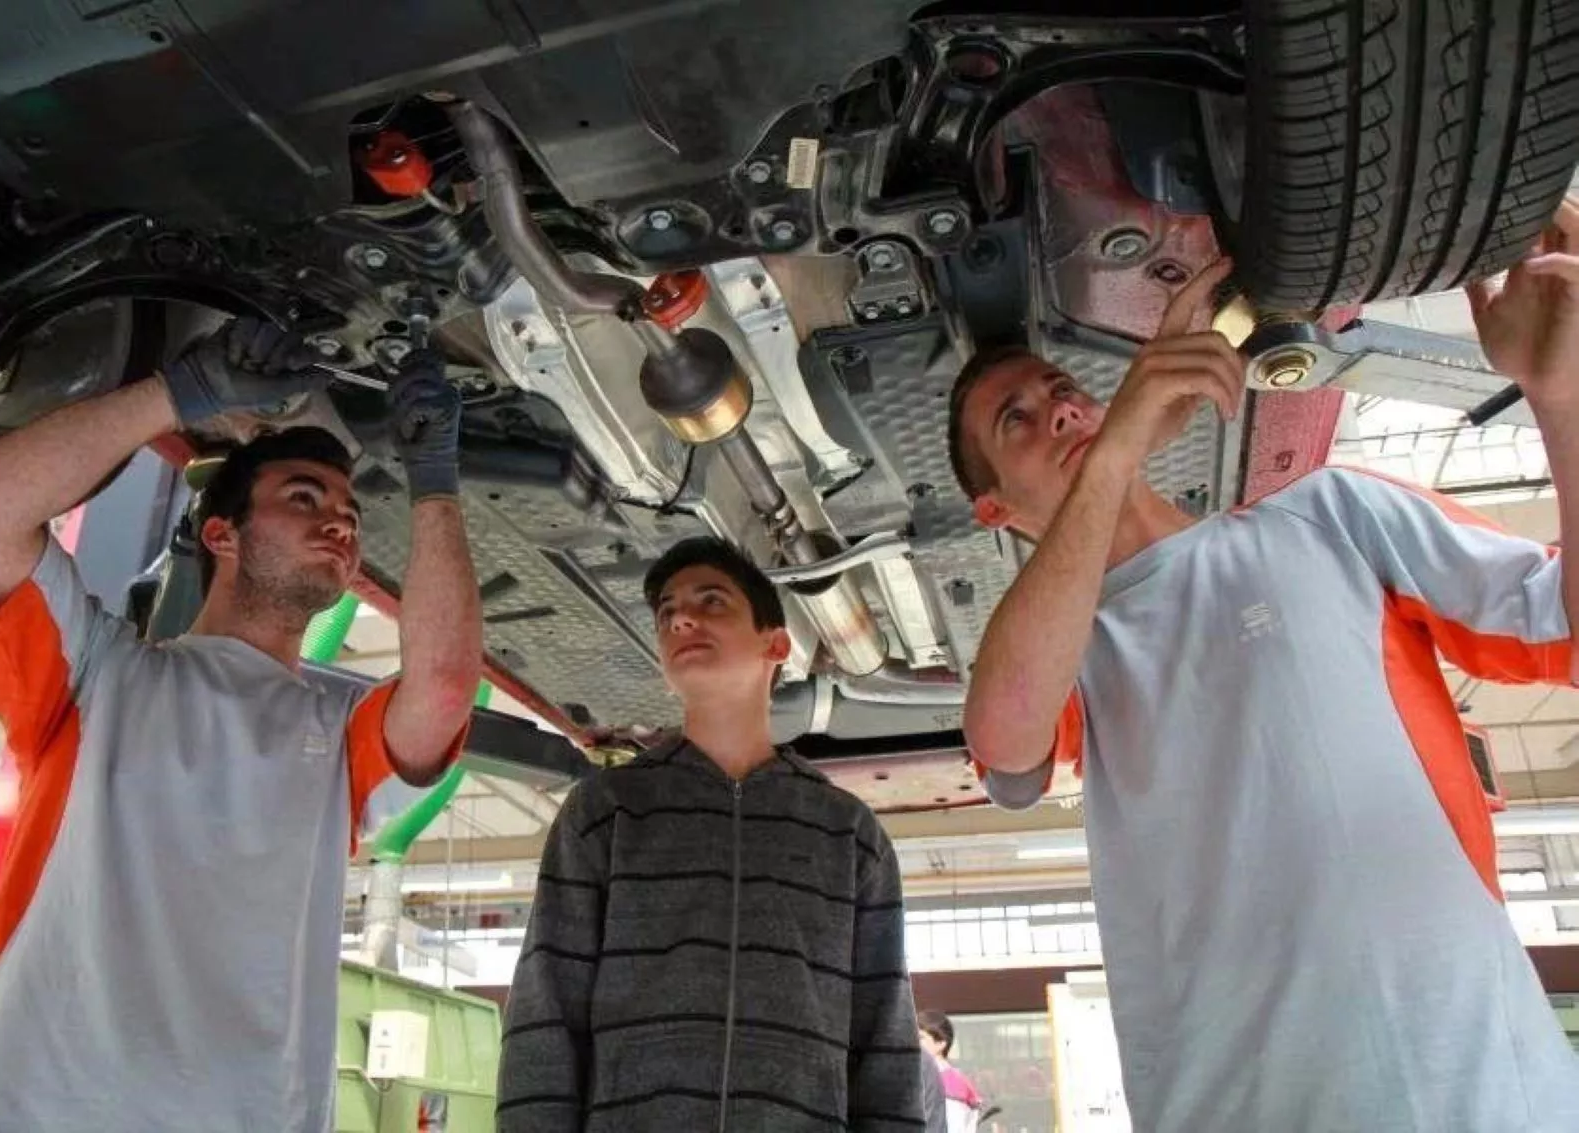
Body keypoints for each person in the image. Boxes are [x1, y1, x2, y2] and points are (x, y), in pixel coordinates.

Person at [950, 199, 1579, 1133]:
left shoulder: (1332, 515)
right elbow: (1003, 740)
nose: (1062, 408)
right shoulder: (1062, 645)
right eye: (1019, 420)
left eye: (1060, 388)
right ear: (995, 510)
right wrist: (1115, 445)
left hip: (1483, 1090)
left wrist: (1559, 399)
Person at [0, 317, 483, 1131]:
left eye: (349, 512)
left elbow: (442, 684)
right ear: (219, 532)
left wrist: (436, 480)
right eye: (305, 498)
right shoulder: (96, 677)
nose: (341, 520)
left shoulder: (340, 735)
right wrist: (176, 394)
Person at [496, 536, 925, 1132]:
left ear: (776, 644)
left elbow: (885, 1037)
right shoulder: (607, 810)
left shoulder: (847, 833)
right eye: (667, 612)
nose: (681, 619)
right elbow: (545, 1010)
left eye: (712, 601)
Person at [917, 1010, 983, 1133]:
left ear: (940, 1043)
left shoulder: (949, 1083)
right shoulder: (927, 1077)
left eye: (921, 1038)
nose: (914, 1042)